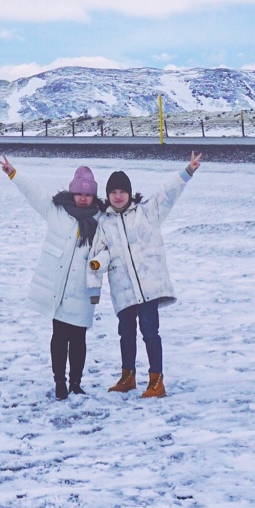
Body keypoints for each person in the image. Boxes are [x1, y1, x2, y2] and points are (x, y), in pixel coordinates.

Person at [92, 152, 202, 398]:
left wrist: (188, 171)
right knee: (126, 333)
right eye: (113, 192)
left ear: (129, 193)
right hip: (123, 289)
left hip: (149, 287)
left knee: (150, 332)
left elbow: (167, 193)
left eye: (122, 191)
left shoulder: (146, 212)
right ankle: (128, 376)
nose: (118, 196)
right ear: (107, 195)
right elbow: (99, 251)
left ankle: (156, 380)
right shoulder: (104, 223)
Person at [0, 155, 103, 400]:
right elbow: (34, 192)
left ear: (94, 196)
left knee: (79, 340)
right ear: (73, 192)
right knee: (59, 338)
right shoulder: (56, 211)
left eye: (88, 195)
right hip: (59, 290)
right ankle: (60, 382)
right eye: (79, 193)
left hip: (84, 291)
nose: (83, 198)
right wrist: (14, 173)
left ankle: (76, 383)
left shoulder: (101, 220)